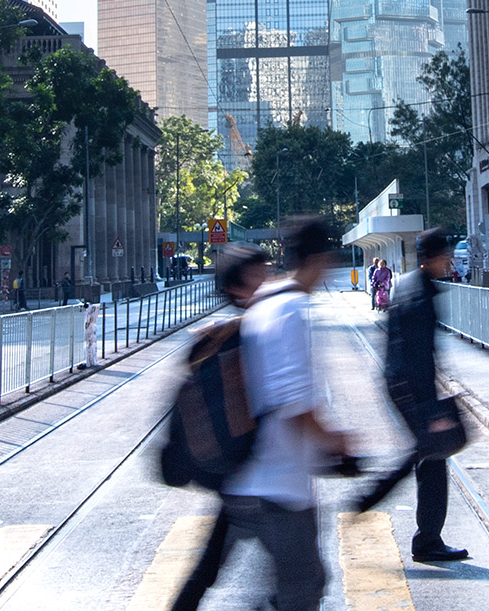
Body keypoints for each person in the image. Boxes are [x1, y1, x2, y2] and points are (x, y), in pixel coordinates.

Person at [210, 217, 351, 611]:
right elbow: (293, 404)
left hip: (253, 476)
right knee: (303, 590)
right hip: (277, 484)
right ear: (321, 259)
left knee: (295, 587)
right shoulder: (291, 309)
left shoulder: (266, 303)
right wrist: (336, 440)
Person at [168, 245, 275, 611]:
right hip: (248, 475)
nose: (266, 283)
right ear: (238, 289)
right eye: (257, 277)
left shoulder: (222, 335)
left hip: (239, 473)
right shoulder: (246, 336)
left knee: (210, 567)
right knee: (296, 571)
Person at [356, 228, 469, 562]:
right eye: (446, 255)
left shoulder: (410, 284)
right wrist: (433, 411)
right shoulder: (420, 296)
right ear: (433, 257)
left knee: (427, 456)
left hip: (401, 383)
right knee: (430, 456)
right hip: (411, 386)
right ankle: (421, 537)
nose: (449, 261)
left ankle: (422, 534)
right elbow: (419, 355)